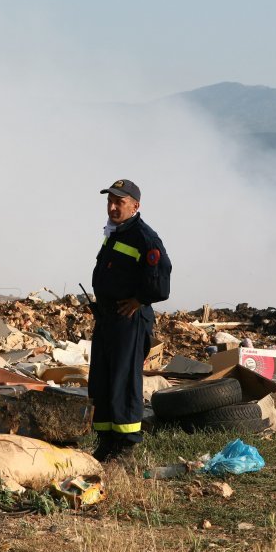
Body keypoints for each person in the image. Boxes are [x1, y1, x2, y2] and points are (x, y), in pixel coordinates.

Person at [89, 179, 171, 461]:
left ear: (135, 206)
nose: (112, 207)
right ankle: (106, 441)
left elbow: (161, 284)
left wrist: (138, 300)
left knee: (123, 381)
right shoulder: (115, 232)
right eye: (109, 202)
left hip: (129, 320)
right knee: (102, 377)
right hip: (108, 317)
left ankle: (125, 446)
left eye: (119, 202)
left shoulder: (144, 237)